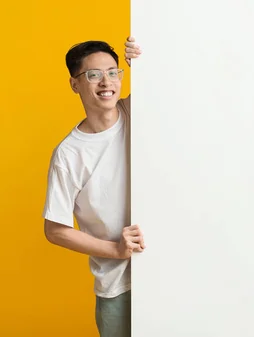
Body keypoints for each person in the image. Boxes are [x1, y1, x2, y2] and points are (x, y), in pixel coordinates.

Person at [43, 36, 143, 337]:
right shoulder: (69, 154)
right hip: (117, 288)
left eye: (113, 72)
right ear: (75, 84)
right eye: (93, 75)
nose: (106, 82)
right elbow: (55, 229)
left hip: (169, 268)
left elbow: (177, 82)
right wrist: (116, 249)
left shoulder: (138, 113)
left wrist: (143, 58)